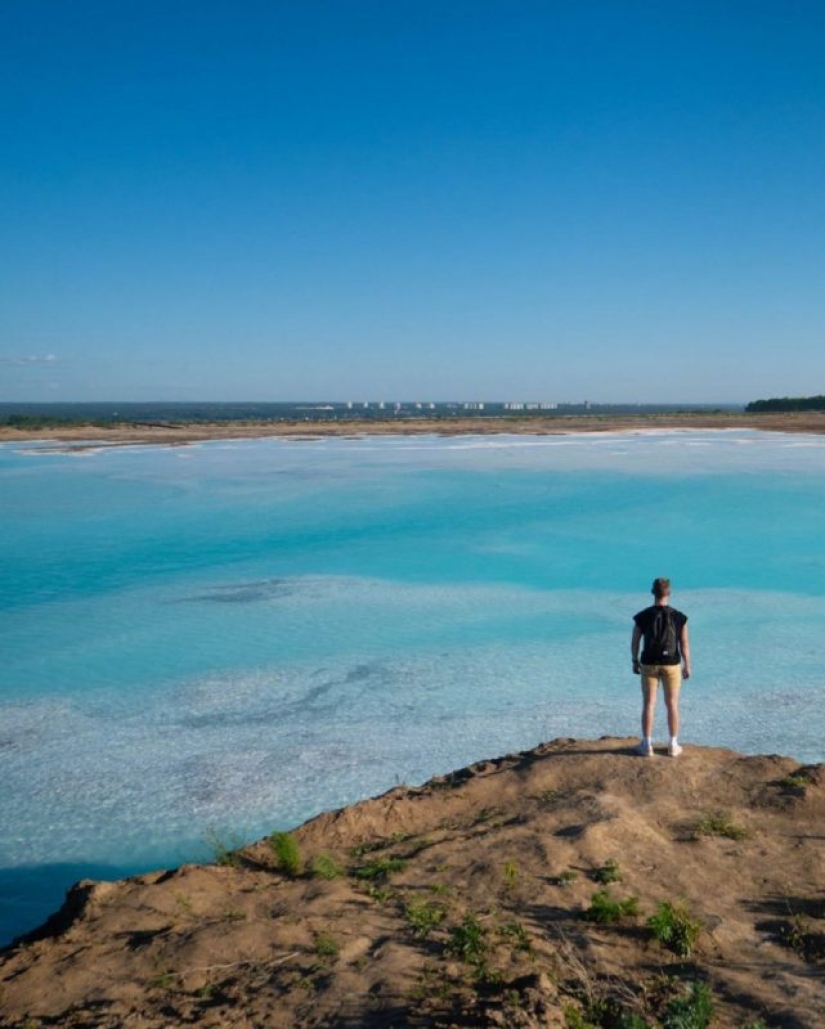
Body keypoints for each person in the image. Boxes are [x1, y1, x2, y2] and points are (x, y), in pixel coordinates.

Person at [631, 577, 690, 757]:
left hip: (649, 663)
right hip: (672, 664)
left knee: (649, 704)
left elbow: (635, 641)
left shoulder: (643, 616)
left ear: (653, 593)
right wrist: (688, 664)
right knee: (672, 704)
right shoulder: (680, 617)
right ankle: (673, 744)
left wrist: (634, 660)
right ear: (669, 593)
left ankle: (647, 744)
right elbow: (684, 643)